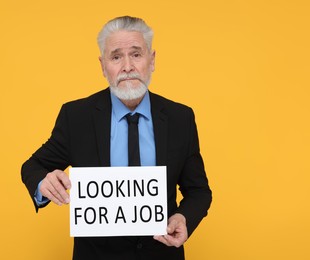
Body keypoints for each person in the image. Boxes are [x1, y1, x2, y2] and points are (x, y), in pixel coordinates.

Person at [21, 16, 212, 260]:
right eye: (116, 57)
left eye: (136, 54)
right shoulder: (76, 116)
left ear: (152, 61)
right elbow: (33, 167)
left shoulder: (179, 118)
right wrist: (42, 183)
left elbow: (198, 191)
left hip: (161, 254)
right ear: (103, 66)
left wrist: (183, 218)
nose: (127, 66)